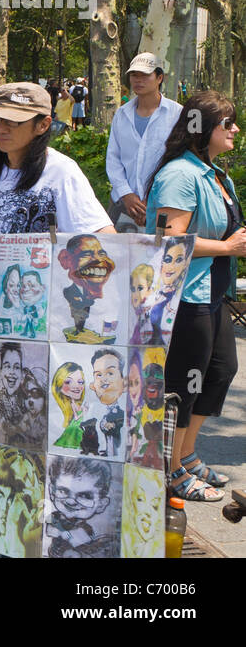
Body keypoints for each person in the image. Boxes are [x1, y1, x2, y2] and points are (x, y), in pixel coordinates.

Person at [0, 81, 113, 549]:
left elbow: (101, 238)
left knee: (26, 426)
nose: (3, 128)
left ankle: (21, 529)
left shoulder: (61, 173)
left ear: (43, 124)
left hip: (38, 329)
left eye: (14, 120)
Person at [144, 90, 245, 502]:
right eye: (227, 123)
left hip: (212, 293)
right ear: (202, 131)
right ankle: (170, 472)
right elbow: (170, 241)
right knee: (185, 384)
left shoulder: (215, 173)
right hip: (184, 298)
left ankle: (185, 455)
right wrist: (228, 248)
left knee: (220, 371)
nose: (235, 128)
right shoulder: (180, 176)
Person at [105, 53, 181, 233]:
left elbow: (178, 160)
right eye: (134, 75)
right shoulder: (122, 114)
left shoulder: (178, 114)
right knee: (119, 257)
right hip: (122, 204)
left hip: (163, 203)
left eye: (145, 75)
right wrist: (127, 194)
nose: (138, 80)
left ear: (159, 78)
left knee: (158, 256)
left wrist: (152, 198)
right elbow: (113, 158)